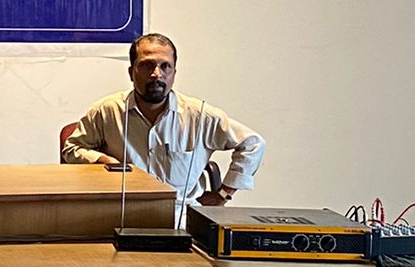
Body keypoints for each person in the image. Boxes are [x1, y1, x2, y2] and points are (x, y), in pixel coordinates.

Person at [62, 32, 264, 206]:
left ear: (174, 73)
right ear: (131, 72)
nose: (156, 74)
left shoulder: (200, 116)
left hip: (179, 219)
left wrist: (224, 193)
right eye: (147, 65)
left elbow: (253, 144)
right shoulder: (107, 111)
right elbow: (72, 148)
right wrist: (102, 160)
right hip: (121, 215)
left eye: (165, 66)